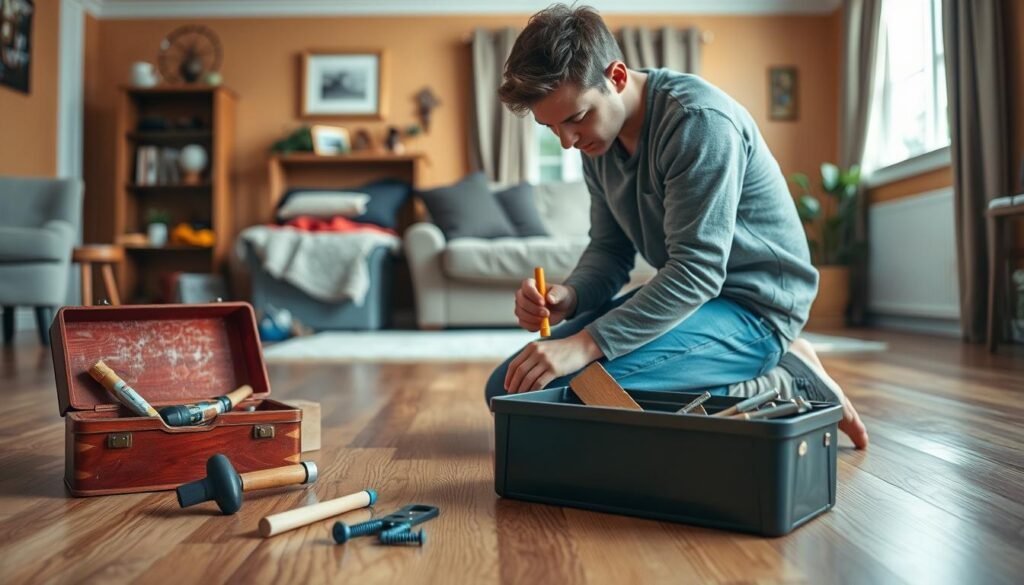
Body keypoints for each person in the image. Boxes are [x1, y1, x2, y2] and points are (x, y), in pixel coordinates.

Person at [483, 3, 868, 449]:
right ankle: (748, 368)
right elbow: (609, 252)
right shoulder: (597, 144)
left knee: (569, 396)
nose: (568, 142)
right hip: (691, 304)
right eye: (552, 128)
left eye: (575, 118)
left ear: (617, 77)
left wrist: (586, 344)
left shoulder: (697, 123)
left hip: (756, 309)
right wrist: (567, 297)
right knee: (510, 389)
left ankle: (780, 377)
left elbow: (697, 271)